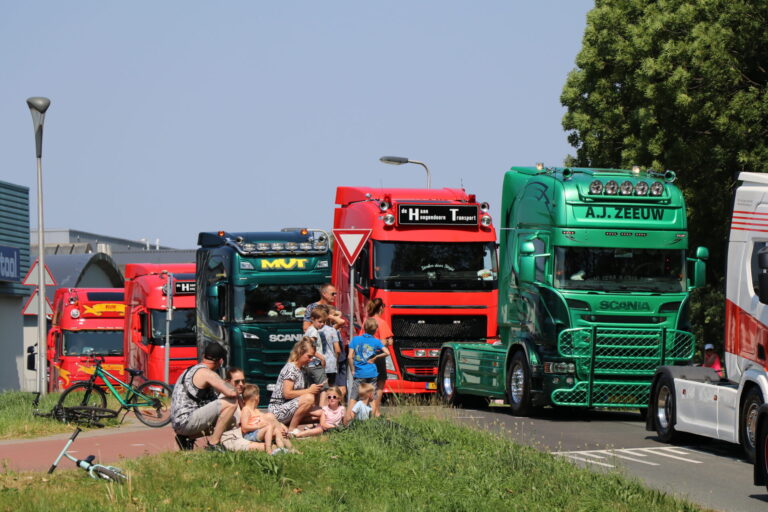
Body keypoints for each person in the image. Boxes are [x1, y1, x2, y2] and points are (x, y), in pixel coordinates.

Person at [171, 343, 239, 452]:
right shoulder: (207, 373)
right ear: (221, 361)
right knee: (231, 403)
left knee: (232, 420)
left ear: (203, 355)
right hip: (187, 421)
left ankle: (186, 438)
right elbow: (232, 393)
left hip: (179, 422)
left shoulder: (191, 370)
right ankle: (213, 444)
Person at [268, 337, 324, 431]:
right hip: (277, 410)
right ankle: (292, 430)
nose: (310, 360)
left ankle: (318, 428)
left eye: (312, 357)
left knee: (324, 412)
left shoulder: (302, 369)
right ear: (300, 352)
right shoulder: (291, 368)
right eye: (309, 356)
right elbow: (287, 394)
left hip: (290, 407)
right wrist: (309, 391)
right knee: (309, 398)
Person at [218, 368, 268, 452]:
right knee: (267, 447)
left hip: (246, 434)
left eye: (243, 381)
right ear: (227, 382)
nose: (241, 384)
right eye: (237, 382)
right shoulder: (224, 401)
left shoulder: (240, 397)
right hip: (232, 438)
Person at [348, 318, 389, 416]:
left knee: (353, 398)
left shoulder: (355, 339)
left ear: (364, 328)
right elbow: (387, 352)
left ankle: (347, 421)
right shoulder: (376, 341)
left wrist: (352, 370)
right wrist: (376, 357)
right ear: (376, 330)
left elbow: (349, 357)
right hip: (372, 373)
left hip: (359, 373)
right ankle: (372, 422)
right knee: (372, 399)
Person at [240, 383, 295, 454]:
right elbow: (244, 428)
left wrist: (280, 424)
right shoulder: (246, 410)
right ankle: (268, 450)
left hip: (257, 432)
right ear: (256, 397)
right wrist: (259, 426)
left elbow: (270, 419)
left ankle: (282, 449)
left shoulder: (256, 410)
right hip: (250, 435)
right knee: (269, 426)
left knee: (276, 430)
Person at [365, 298, 393, 417]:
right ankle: (376, 411)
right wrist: (385, 342)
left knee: (368, 384)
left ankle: (366, 411)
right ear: (381, 308)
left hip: (366, 355)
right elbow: (388, 341)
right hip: (378, 356)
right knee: (380, 384)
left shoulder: (367, 321)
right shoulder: (381, 322)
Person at [304, 307, 330, 405]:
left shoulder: (309, 330)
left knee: (313, 388)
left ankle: (313, 407)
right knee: (324, 387)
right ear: (312, 319)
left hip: (309, 365)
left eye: (324, 321)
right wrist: (322, 358)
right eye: (320, 321)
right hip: (315, 364)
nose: (322, 324)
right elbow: (310, 348)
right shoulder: (314, 332)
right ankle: (322, 409)